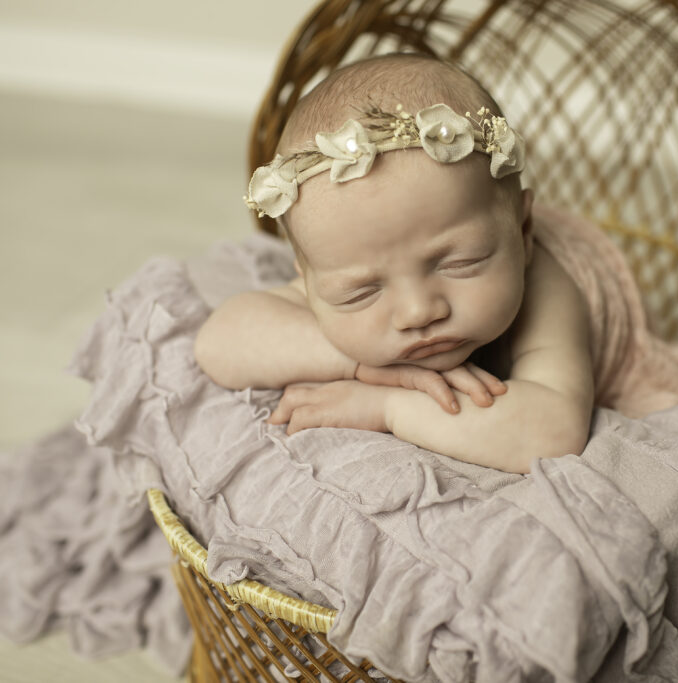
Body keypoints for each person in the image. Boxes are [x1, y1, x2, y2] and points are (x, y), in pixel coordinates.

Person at [194, 53, 594, 474]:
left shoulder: (547, 286)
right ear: (307, 280)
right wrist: (361, 366)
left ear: (524, 230)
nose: (418, 312)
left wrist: (387, 406)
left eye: (460, 263)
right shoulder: (351, 258)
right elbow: (217, 344)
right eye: (361, 292)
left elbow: (554, 433)